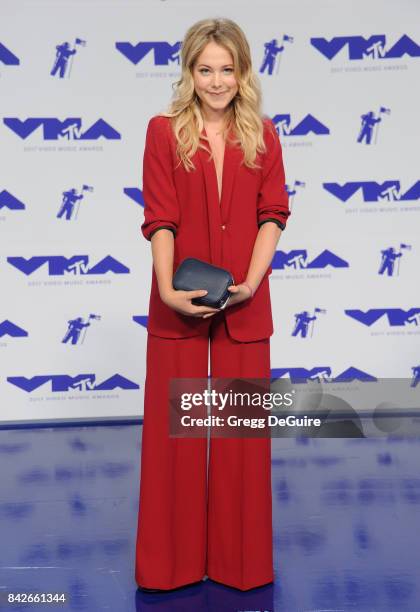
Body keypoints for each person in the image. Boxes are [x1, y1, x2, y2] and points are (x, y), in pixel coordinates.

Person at [135, 17, 290, 593]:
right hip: (178, 297)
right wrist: (169, 289)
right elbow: (160, 218)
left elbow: (274, 213)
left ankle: (239, 565)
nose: (217, 81)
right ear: (189, 71)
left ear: (243, 71)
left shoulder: (265, 134)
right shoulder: (162, 131)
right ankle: (168, 568)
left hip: (246, 303)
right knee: (173, 440)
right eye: (206, 69)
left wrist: (251, 282)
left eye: (228, 69)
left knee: (238, 443)